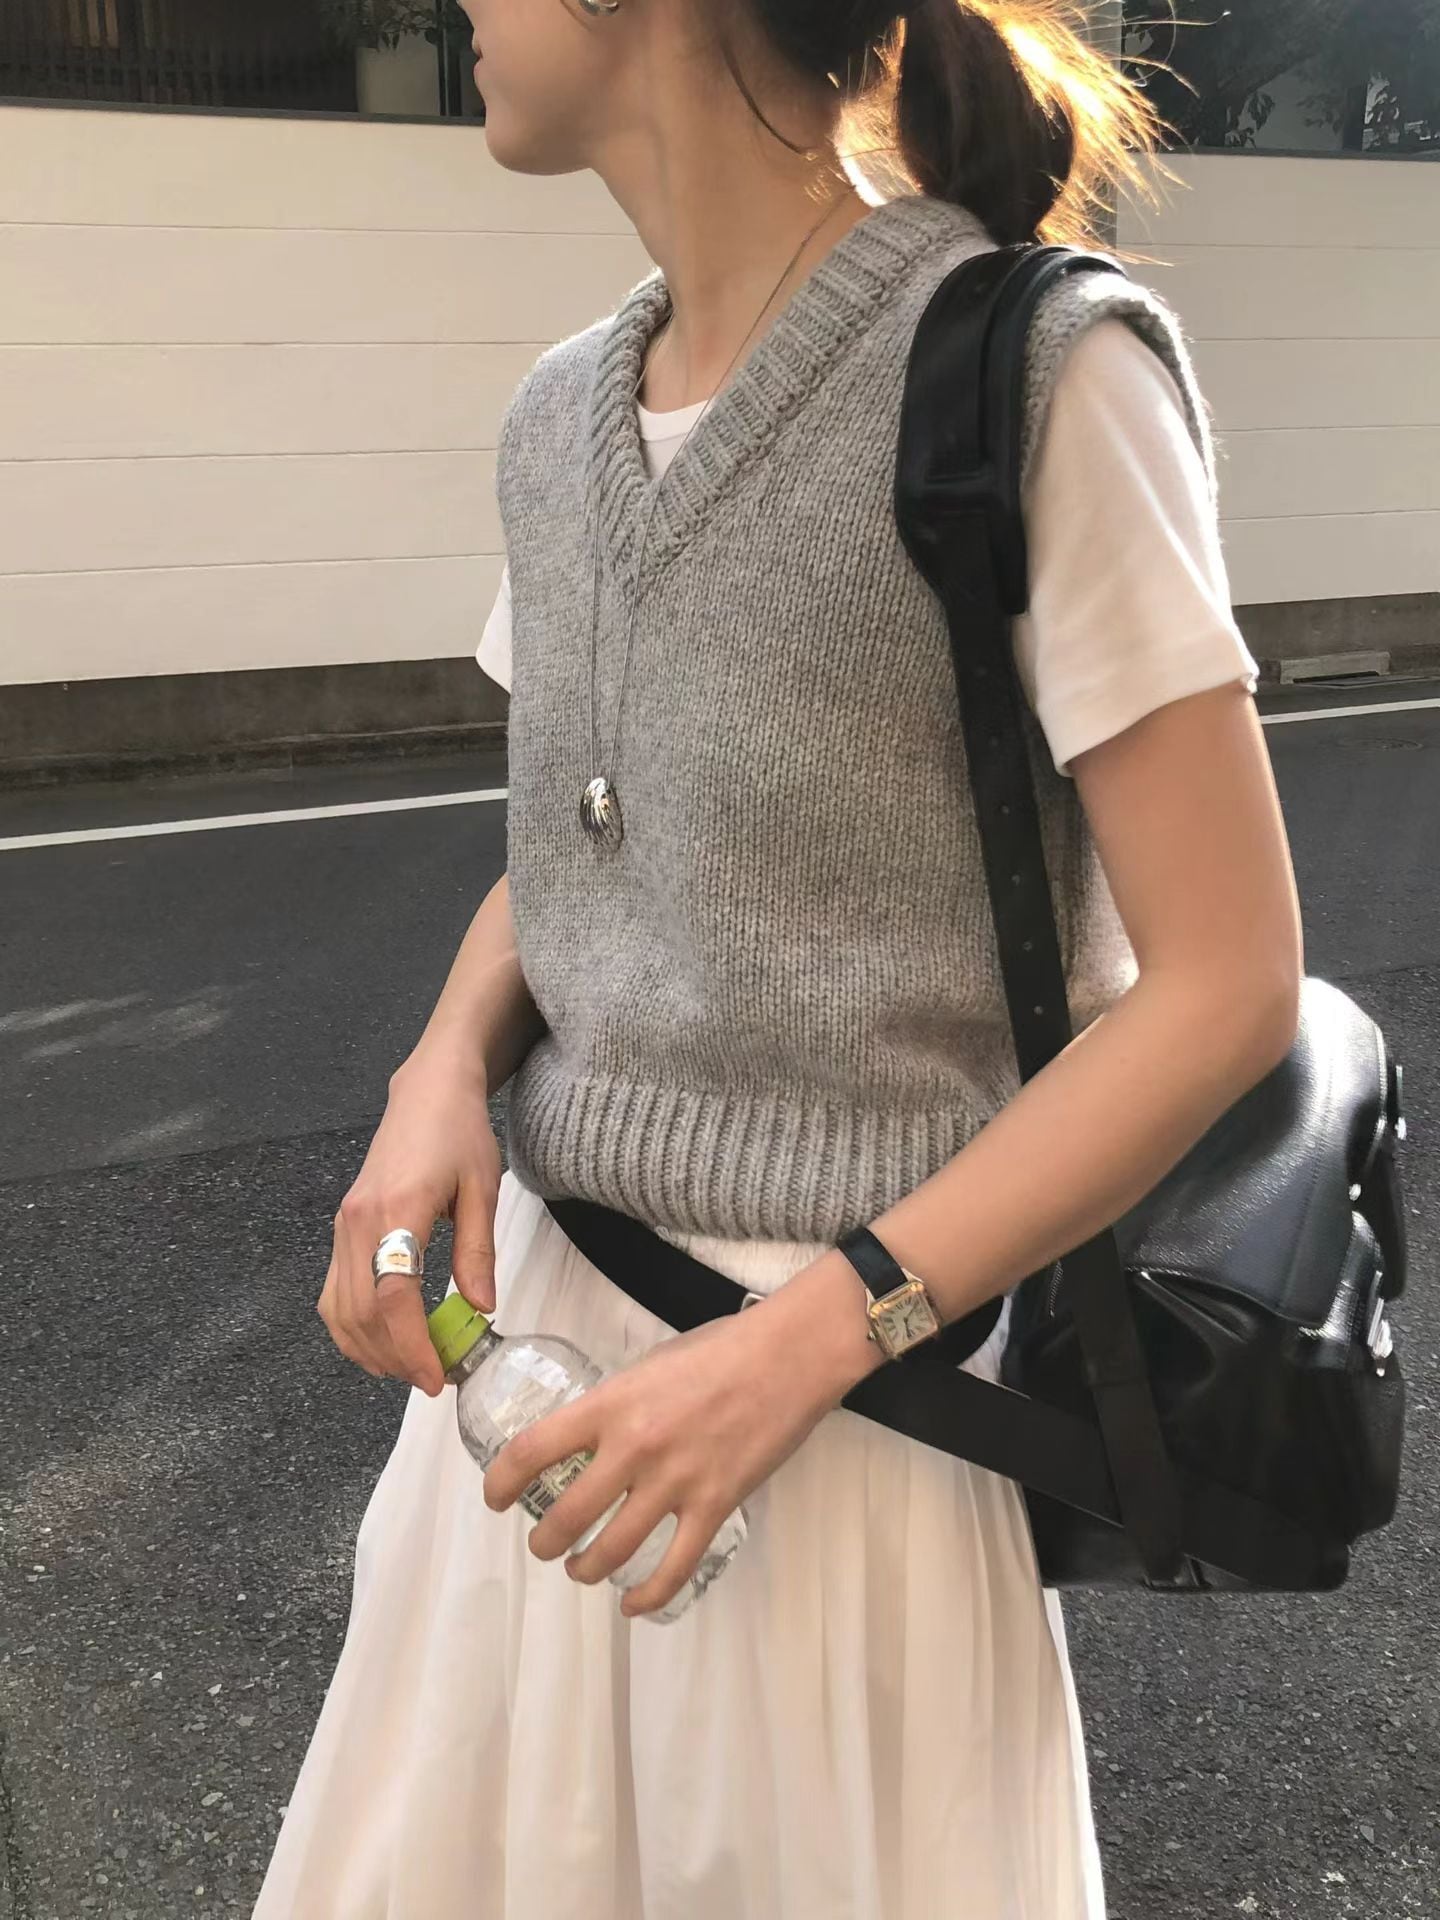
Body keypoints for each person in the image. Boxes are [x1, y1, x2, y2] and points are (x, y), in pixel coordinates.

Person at [253, 1, 1304, 1915]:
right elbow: (585, 845)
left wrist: (803, 1347)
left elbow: (1228, 981)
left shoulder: (1037, 377)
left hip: (848, 1423)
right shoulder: (561, 416)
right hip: (535, 1409)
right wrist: (436, 1079)